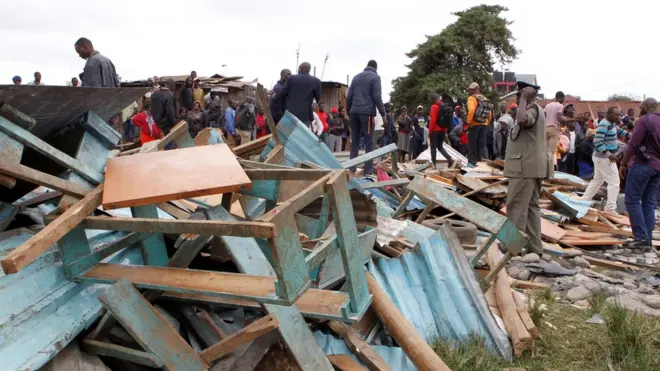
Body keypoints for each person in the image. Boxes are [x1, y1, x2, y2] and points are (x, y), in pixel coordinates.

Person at [504, 81, 548, 255]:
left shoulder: (532, 109)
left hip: (524, 167)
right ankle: (535, 248)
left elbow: (521, 119)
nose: (516, 98)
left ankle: (510, 247)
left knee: (515, 206)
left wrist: (523, 99)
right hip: (530, 167)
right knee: (531, 208)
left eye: (518, 94)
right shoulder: (537, 110)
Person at [620, 98, 660, 248]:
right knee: (649, 202)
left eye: (641, 107)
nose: (639, 109)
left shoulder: (644, 120)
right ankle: (647, 238)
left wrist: (623, 163)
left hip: (643, 165)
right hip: (657, 167)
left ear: (647, 106)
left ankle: (641, 237)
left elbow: (633, 144)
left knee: (632, 199)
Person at [579, 107, 630, 216]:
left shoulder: (611, 123)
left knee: (597, 180)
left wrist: (630, 135)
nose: (618, 117)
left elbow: (619, 130)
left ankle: (584, 199)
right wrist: (609, 154)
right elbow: (597, 142)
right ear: (610, 114)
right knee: (614, 182)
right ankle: (610, 208)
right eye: (616, 115)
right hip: (603, 158)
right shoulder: (604, 125)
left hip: (601, 158)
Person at [346, 60, 386, 175]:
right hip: (367, 114)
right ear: (375, 68)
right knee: (369, 142)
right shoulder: (375, 77)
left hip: (354, 112)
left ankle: (351, 170)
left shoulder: (356, 77)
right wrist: (383, 114)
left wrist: (349, 112)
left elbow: (349, 97)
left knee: (355, 142)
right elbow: (377, 97)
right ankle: (368, 170)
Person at [278, 62, 321, 126]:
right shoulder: (316, 81)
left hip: (290, 115)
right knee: (301, 135)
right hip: (305, 116)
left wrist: (274, 96)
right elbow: (318, 99)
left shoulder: (292, 78)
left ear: (300, 69)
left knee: (287, 135)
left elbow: (282, 93)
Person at [466, 82, 493, 165]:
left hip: (474, 124)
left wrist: (469, 122)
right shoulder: (484, 98)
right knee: (482, 144)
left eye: (470, 90)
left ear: (472, 90)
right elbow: (490, 113)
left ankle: (472, 163)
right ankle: (484, 161)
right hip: (484, 123)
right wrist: (486, 122)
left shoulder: (471, 98)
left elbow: (471, 111)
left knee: (472, 144)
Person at [543, 91, 565, 177]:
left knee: (545, 151)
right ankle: (550, 174)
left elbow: (544, 115)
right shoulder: (560, 105)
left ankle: (543, 172)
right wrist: (566, 120)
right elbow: (559, 118)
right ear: (561, 98)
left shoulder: (548, 105)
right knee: (551, 152)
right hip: (554, 128)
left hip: (545, 128)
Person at [428, 95, 453, 167]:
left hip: (435, 131)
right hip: (442, 130)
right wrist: (445, 131)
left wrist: (430, 132)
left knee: (433, 147)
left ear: (432, 100)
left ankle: (434, 164)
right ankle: (449, 159)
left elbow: (433, 121)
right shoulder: (443, 106)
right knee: (440, 147)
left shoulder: (434, 107)